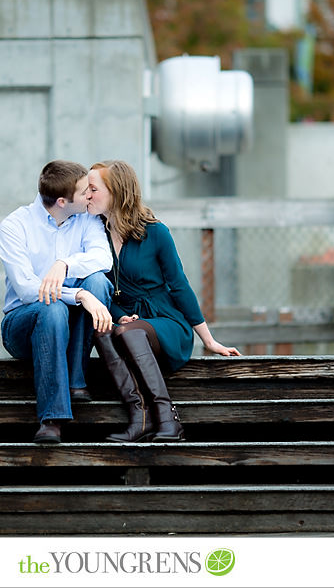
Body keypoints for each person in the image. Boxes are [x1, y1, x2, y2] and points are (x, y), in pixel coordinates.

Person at [85, 159, 240, 442]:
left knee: (129, 332)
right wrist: (118, 314)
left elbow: (179, 285)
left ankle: (168, 418)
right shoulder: (94, 233)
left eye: (93, 189)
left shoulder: (155, 232)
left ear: (116, 191)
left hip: (166, 322)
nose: (87, 195)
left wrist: (208, 340)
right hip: (128, 323)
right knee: (103, 329)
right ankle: (139, 417)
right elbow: (103, 289)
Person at [0, 160, 114, 444]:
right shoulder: (15, 225)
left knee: (98, 281)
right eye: (85, 191)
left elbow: (103, 259)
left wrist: (64, 263)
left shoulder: (86, 218)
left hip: (71, 325)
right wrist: (79, 295)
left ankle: (76, 380)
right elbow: (26, 289)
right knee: (52, 308)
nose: (91, 194)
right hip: (22, 325)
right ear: (62, 201)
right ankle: (52, 418)